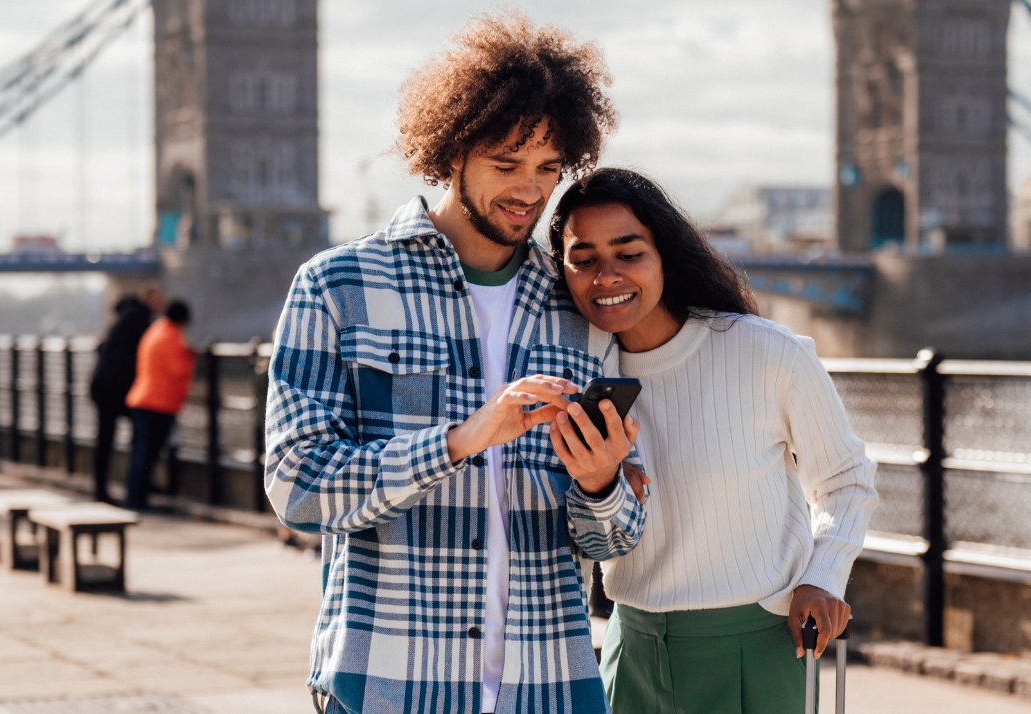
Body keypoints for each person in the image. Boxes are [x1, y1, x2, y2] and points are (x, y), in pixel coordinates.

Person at [264, 12, 648, 714]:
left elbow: (613, 539)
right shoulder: (337, 288)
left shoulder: (575, 306)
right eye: (507, 165)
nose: (531, 191)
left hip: (548, 689)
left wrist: (600, 486)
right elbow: (298, 489)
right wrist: (460, 441)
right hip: (388, 684)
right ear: (450, 150)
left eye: (548, 169)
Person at [547, 168, 878, 714]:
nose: (606, 276)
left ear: (665, 258)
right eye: (584, 260)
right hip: (629, 651)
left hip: (757, 652)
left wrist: (823, 578)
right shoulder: (571, 376)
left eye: (629, 254)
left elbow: (846, 481)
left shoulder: (766, 353)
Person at [89, 286, 163, 502]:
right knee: (143, 430)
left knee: (109, 439)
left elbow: (104, 348)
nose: (160, 306)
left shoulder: (126, 316)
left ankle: (108, 489)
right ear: (145, 298)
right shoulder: (138, 319)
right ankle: (135, 486)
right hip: (113, 389)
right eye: (157, 300)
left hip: (106, 386)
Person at [123, 299, 195, 511]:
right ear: (183, 320)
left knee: (140, 453)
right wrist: (191, 356)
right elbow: (179, 369)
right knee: (146, 454)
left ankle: (135, 498)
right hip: (157, 404)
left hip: (144, 400)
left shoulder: (156, 330)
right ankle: (137, 501)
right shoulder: (170, 337)